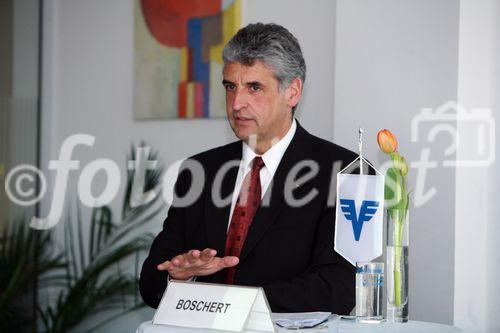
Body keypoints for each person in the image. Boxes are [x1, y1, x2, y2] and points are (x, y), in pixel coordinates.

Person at [140, 23, 357, 314]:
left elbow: (340, 287)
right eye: (231, 87)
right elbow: (151, 281)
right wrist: (181, 275)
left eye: (254, 87)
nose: (237, 104)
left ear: (292, 92)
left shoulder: (346, 172)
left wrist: (235, 304)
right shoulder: (199, 171)